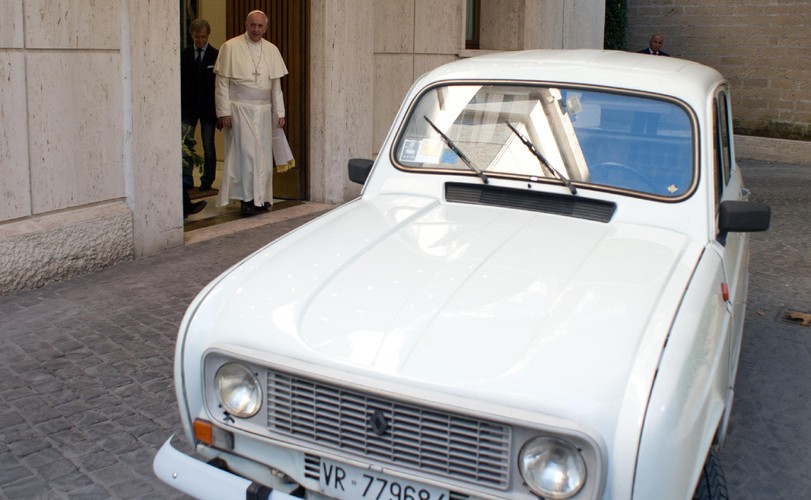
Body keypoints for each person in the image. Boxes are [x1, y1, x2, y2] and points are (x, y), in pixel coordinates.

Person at [214, 10, 295, 216]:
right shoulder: (230, 47)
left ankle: (261, 198)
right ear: (246, 24)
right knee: (246, 155)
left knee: (263, 156)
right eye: (253, 25)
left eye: (260, 26)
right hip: (240, 109)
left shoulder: (272, 50)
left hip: (264, 111)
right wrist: (223, 112)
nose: (256, 30)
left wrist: (280, 112)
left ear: (265, 28)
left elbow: (276, 86)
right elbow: (221, 83)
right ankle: (247, 199)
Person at [181, 19, 219, 192]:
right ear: (192, 35)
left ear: (208, 35)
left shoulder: (215, 55)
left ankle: (207, 180)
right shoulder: (185, 54)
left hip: (208, 108)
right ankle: (186, 179)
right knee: (186, 144)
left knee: (208, 145)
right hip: (188, 107)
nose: (200, 40)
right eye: (197, 37)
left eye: (203, 37)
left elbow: (218, 85)